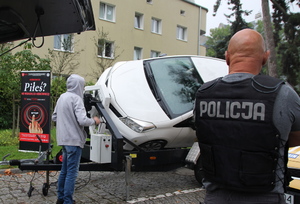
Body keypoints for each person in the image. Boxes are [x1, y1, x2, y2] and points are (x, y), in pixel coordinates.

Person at [194, 28, 300, 204]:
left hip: (215, 197)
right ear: (265, 58)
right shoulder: (283, 94)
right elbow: (295, 140)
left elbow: (206, 134)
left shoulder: (203, 94)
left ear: (227, 57)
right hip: (265, 197)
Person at [52, 74, 101, 204]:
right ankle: (68, 201)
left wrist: (66, 121)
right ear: (78, 85)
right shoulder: (76, 99)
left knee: (64, 170)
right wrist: (94, 121)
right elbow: (82, 120)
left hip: (63, 139)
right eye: (83, 85)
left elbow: (54, 117)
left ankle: (60, 198)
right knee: (71, 173)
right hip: (73, 140)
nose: (83, 88)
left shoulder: (62, 97)